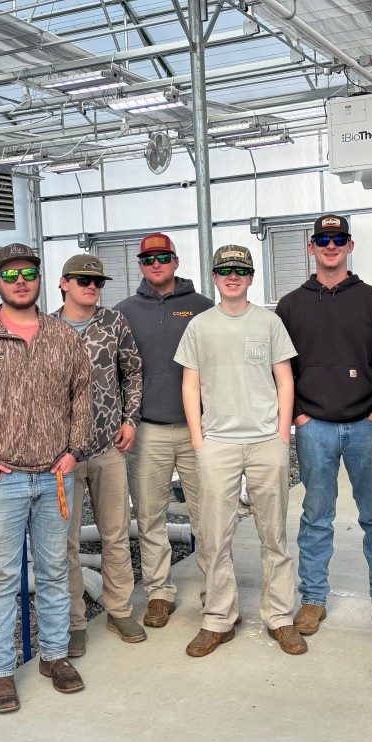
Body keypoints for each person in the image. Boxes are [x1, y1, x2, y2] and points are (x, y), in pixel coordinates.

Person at [0, 243, 93, 715]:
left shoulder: (63, 337)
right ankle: (0, 672)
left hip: (53, 476)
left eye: (29, 272)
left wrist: (73, 451)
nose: (20, 280)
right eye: (11, 275)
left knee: (53, 571)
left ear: (40, 279)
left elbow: (82, 395)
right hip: (0, 480)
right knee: (3, 577)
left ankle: (54, 657)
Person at [175, 244, 304, 657]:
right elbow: (190, 385)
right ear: (214, 276)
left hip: (267, 442)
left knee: (275, 534)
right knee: (214, 535)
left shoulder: (268, 322)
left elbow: (284, 379)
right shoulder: (199, 326)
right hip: (218, 444)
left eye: (241, 270)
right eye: (225, 270)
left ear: (251, 277)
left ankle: (280, 616)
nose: (233, 276)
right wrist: (200, 441)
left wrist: (282, 437)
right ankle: (218, 617)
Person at [275, 214, 372, 640]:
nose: (331, 246)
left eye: (339, 239)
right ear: (311, 247)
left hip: (365, 426)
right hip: (315, 428)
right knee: (315, 517)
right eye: (323, 240)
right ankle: (312, 600)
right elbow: (282, 368)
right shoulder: (291, 305)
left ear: (349, 246)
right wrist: (297, 417)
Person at [114, 232, 213, 629]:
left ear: (176, 261)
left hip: (198, 430)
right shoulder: (123, 312)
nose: (156, 264)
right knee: (150, 515)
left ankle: (215, 588)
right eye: (148, 259)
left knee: (208, 514)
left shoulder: (203, 308)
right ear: (140, 265)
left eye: (163, 257)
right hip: (148, 431)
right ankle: (159, 592)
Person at [53, 253, 146, 656]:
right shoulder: (45, 329)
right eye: (81, 280)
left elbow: (133, 372)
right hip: (61, 456)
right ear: (64, 283)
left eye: (97, 282)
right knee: (65, 543)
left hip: (109, 447)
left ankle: (119, 609)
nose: (90, 287)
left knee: (116, 534)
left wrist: (130, 419)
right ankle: (74, 623)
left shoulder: (113, 323)